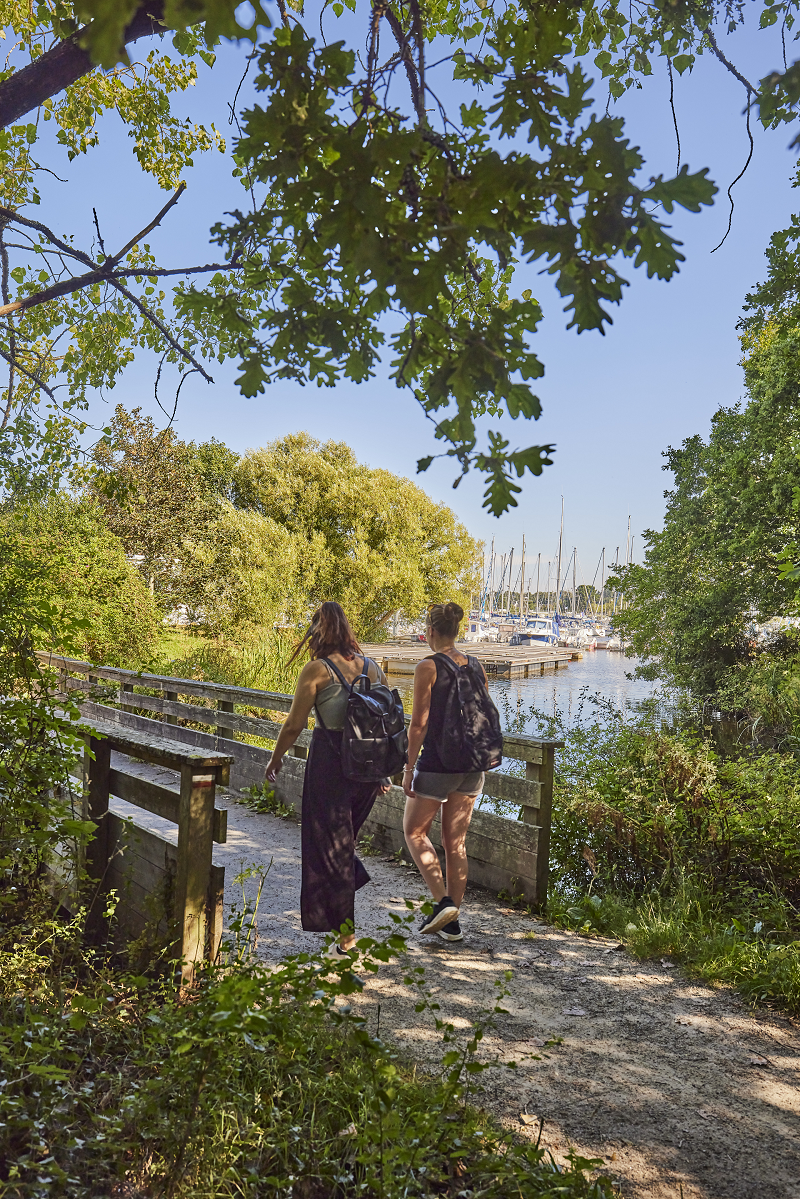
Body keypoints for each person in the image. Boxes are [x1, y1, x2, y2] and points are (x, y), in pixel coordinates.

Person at [265, 602, 391, 958]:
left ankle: (348, 940)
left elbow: (294, 725)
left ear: (319, 631)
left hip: (331, 764)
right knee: (341, 846)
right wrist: (383, 770)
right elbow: (385, 723)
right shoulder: (372, 667)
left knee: (333, 849)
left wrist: (275, 758)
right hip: (366, 769)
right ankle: (344, 921)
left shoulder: (317, 670)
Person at [402, 602, 491, 941]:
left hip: (439, 764)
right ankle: (452, 923)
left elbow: (418, 725)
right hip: (472, 765)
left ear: (432, 632)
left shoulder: (428, 666)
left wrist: (408, 768)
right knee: (455, 843)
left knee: (413, 832)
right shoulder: (476, 665)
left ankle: (442, 903)